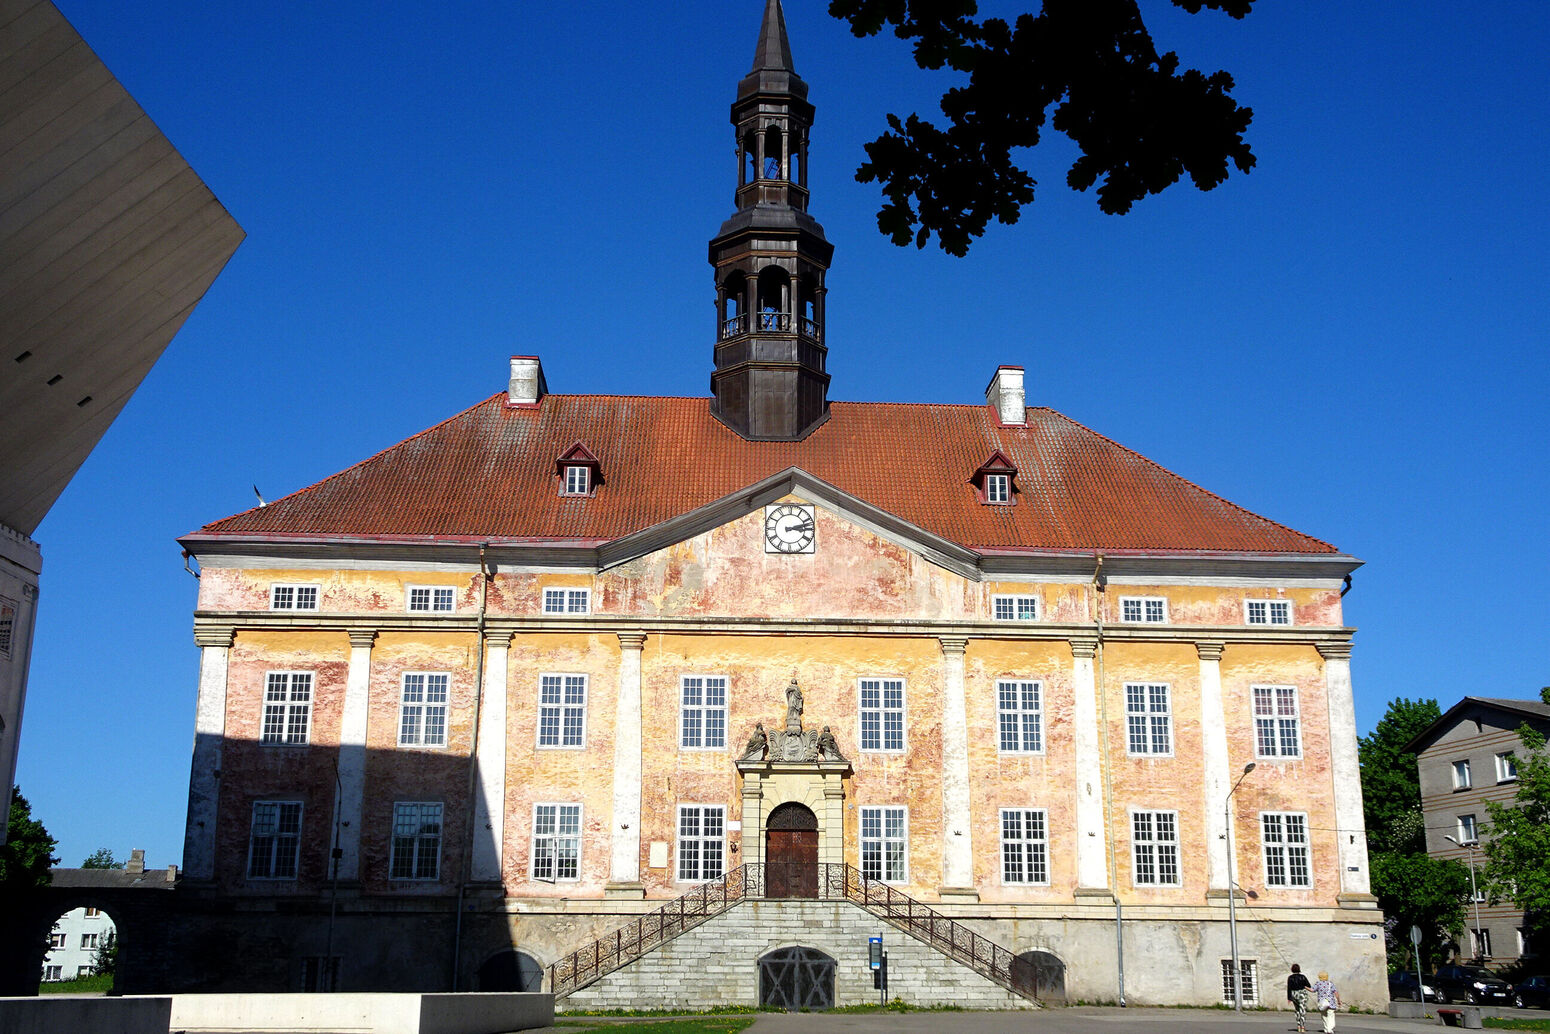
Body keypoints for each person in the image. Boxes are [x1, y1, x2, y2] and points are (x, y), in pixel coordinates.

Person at [1286, 963, 1313, 1032]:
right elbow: (1309, 985)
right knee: (1302, 1010)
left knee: (1297, 1010)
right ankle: (1302, 1027)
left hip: (1294, 994)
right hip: (1302, 994)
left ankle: (1298, 1026)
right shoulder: (1303, 977)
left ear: (1292, 969)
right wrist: (1303, 985)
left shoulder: (1290, 977)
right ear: (1299, 969)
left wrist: (1289, 998)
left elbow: (1289, 988)